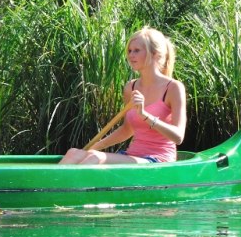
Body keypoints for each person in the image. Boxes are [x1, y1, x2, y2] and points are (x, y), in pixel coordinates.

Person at [60, 26, 186, 165]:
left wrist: (145, 115)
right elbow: (127, 130)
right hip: (132, 155)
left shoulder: (173, 88)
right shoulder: (130, 87)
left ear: (154, 53)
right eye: (129, 51)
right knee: (73, 153)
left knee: (96, 158)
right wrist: (94, 147)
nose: (131, 55)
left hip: (158, 159)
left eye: (137, 51)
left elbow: (178, 137)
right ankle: (50, 187)